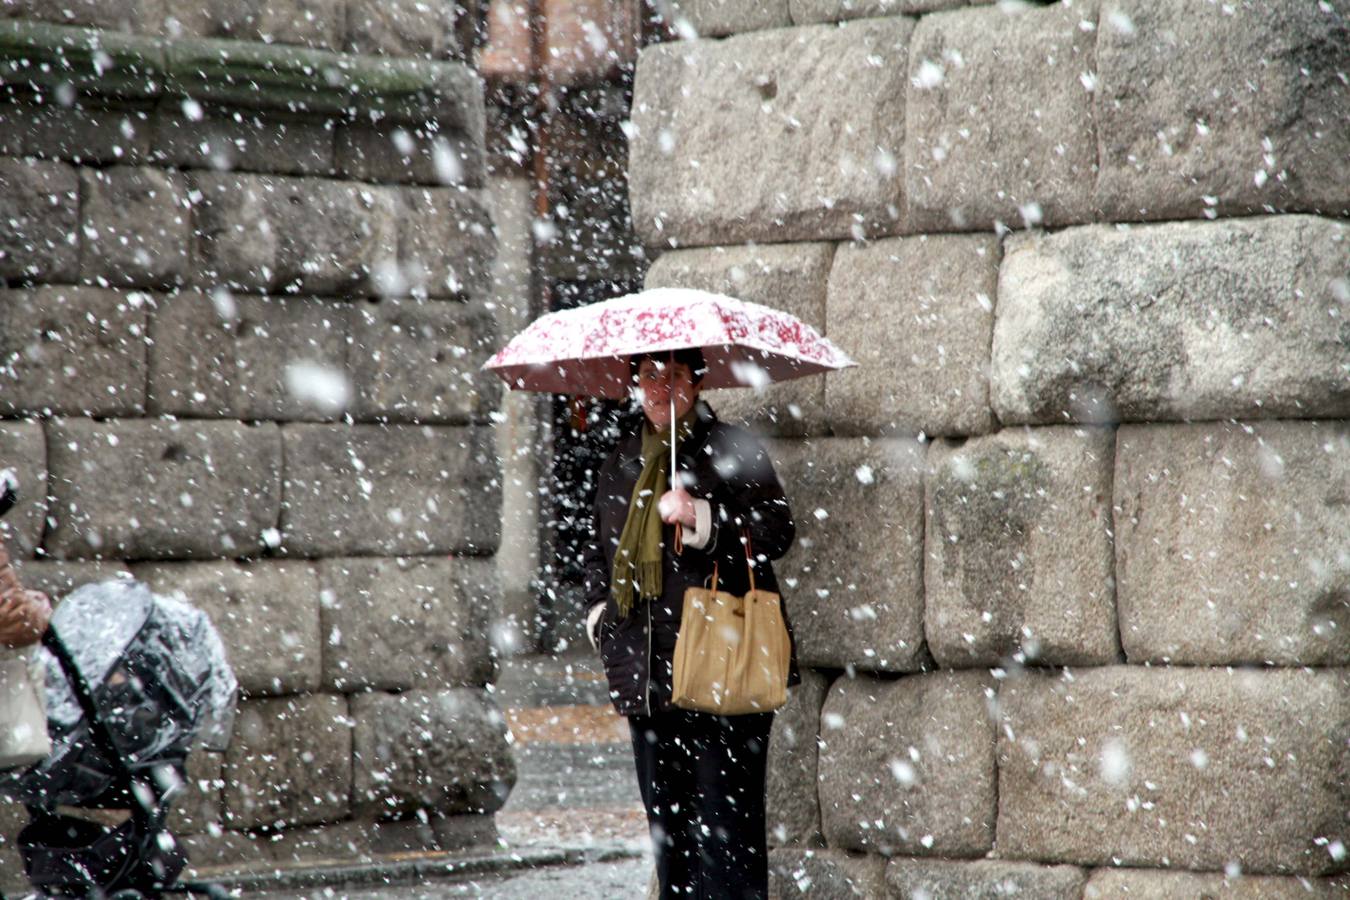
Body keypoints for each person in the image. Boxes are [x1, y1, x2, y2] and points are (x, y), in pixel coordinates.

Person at [582, 348, 797, 900]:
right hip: (646, 677)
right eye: (649, 375)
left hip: (720, 666)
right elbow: (596, 553)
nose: (660, 388)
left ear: (697, 383)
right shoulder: (621, 460)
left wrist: (702, 516)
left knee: (727, 838)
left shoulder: (729, 447)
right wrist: (600, 618)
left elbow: (777, 530)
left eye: (674, 375)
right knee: (670, 839)